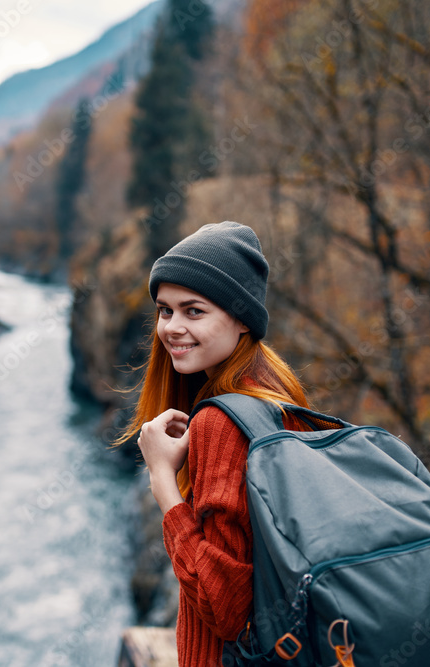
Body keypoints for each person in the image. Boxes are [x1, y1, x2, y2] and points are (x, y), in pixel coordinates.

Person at [118, 221, 312, 666]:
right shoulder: (278, 394)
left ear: (242, 318)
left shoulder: (221, 423)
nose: (172, 328)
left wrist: (162, 481)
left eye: (194, 311)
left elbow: (222, 606)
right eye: (165, 311)